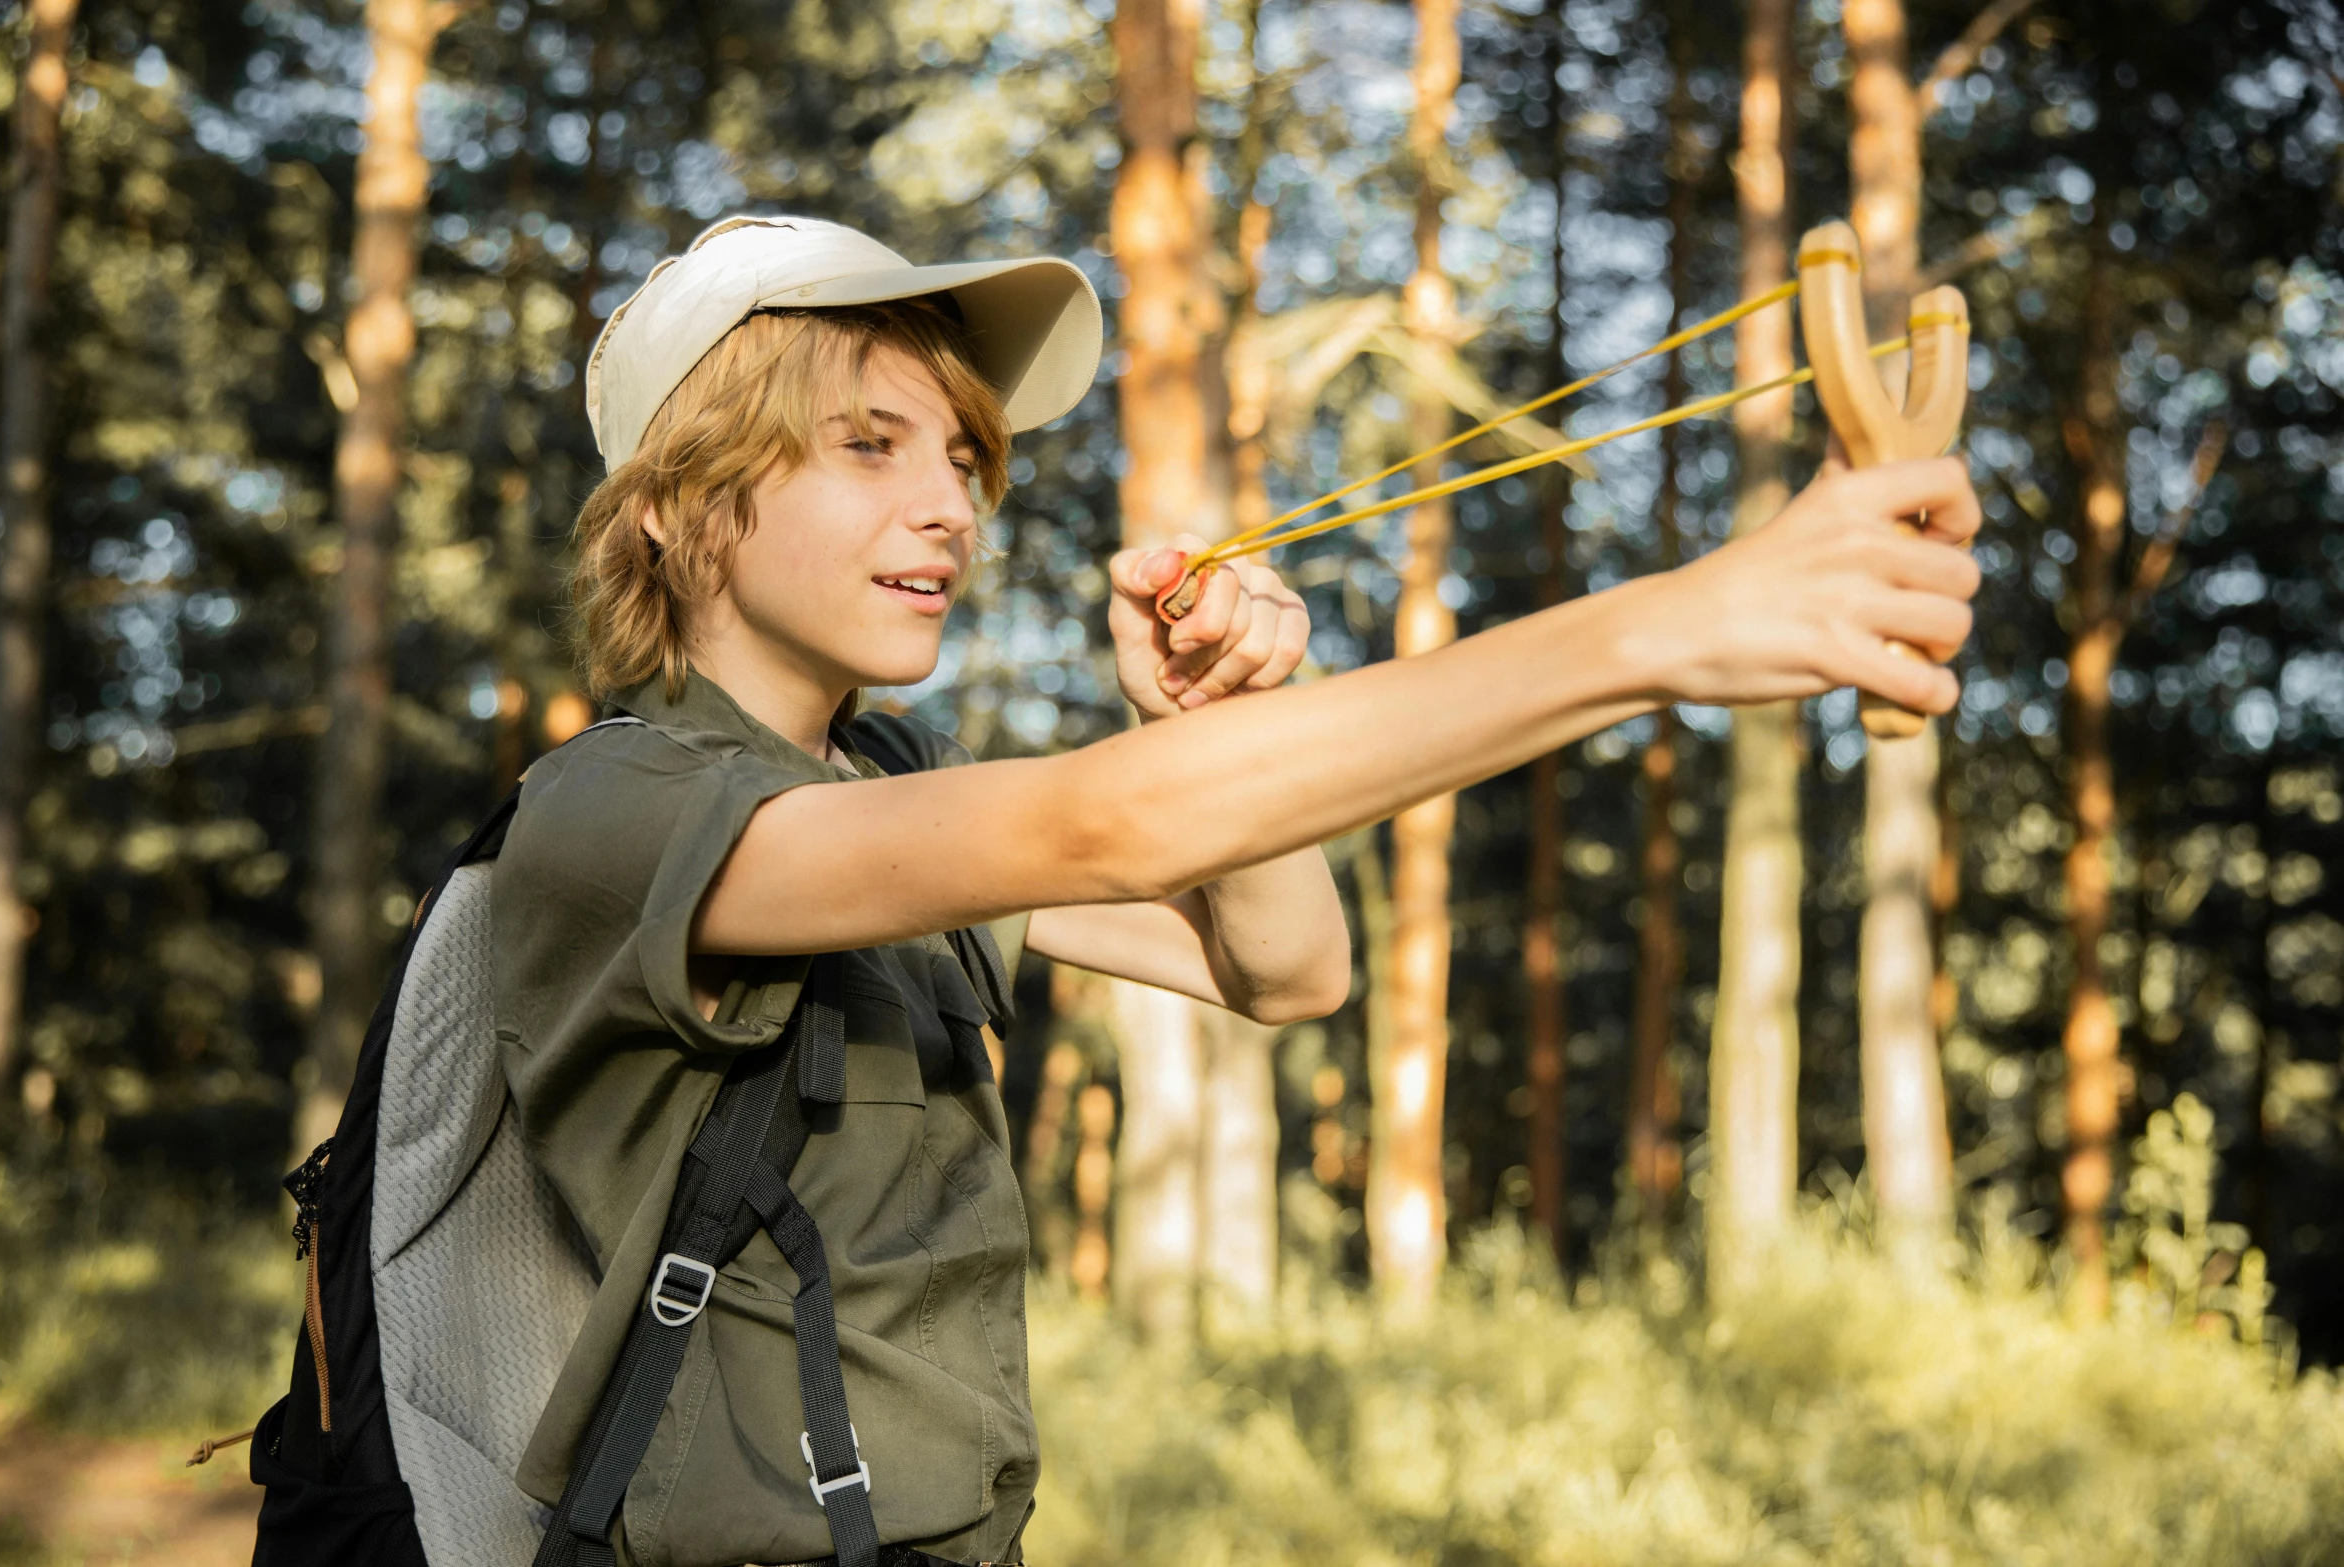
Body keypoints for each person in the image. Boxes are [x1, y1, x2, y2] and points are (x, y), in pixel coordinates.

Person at [495, 214, 1982, 1567]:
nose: (950, 504)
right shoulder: (612, 811)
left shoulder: (886, 780)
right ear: (673, 510)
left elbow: (1280, 969)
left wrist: (1206, 719)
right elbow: (1105, 829)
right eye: (870, 443)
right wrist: (1668, 627)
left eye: (961, 455)